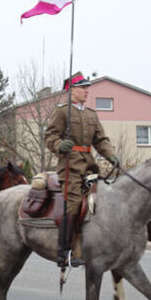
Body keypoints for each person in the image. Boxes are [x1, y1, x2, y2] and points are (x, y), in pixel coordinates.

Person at [45, 72, 119, 267]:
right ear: (72, 91)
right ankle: (64, 252)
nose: (87, 91)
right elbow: (50, 135)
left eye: (88, 88)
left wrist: (111, 157)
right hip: (70, 166)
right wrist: (60, 145)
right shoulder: (62, 112)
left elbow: (101, 140)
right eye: (83, 88)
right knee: (74, 203)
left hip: (89, 165)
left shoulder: (91, 115)